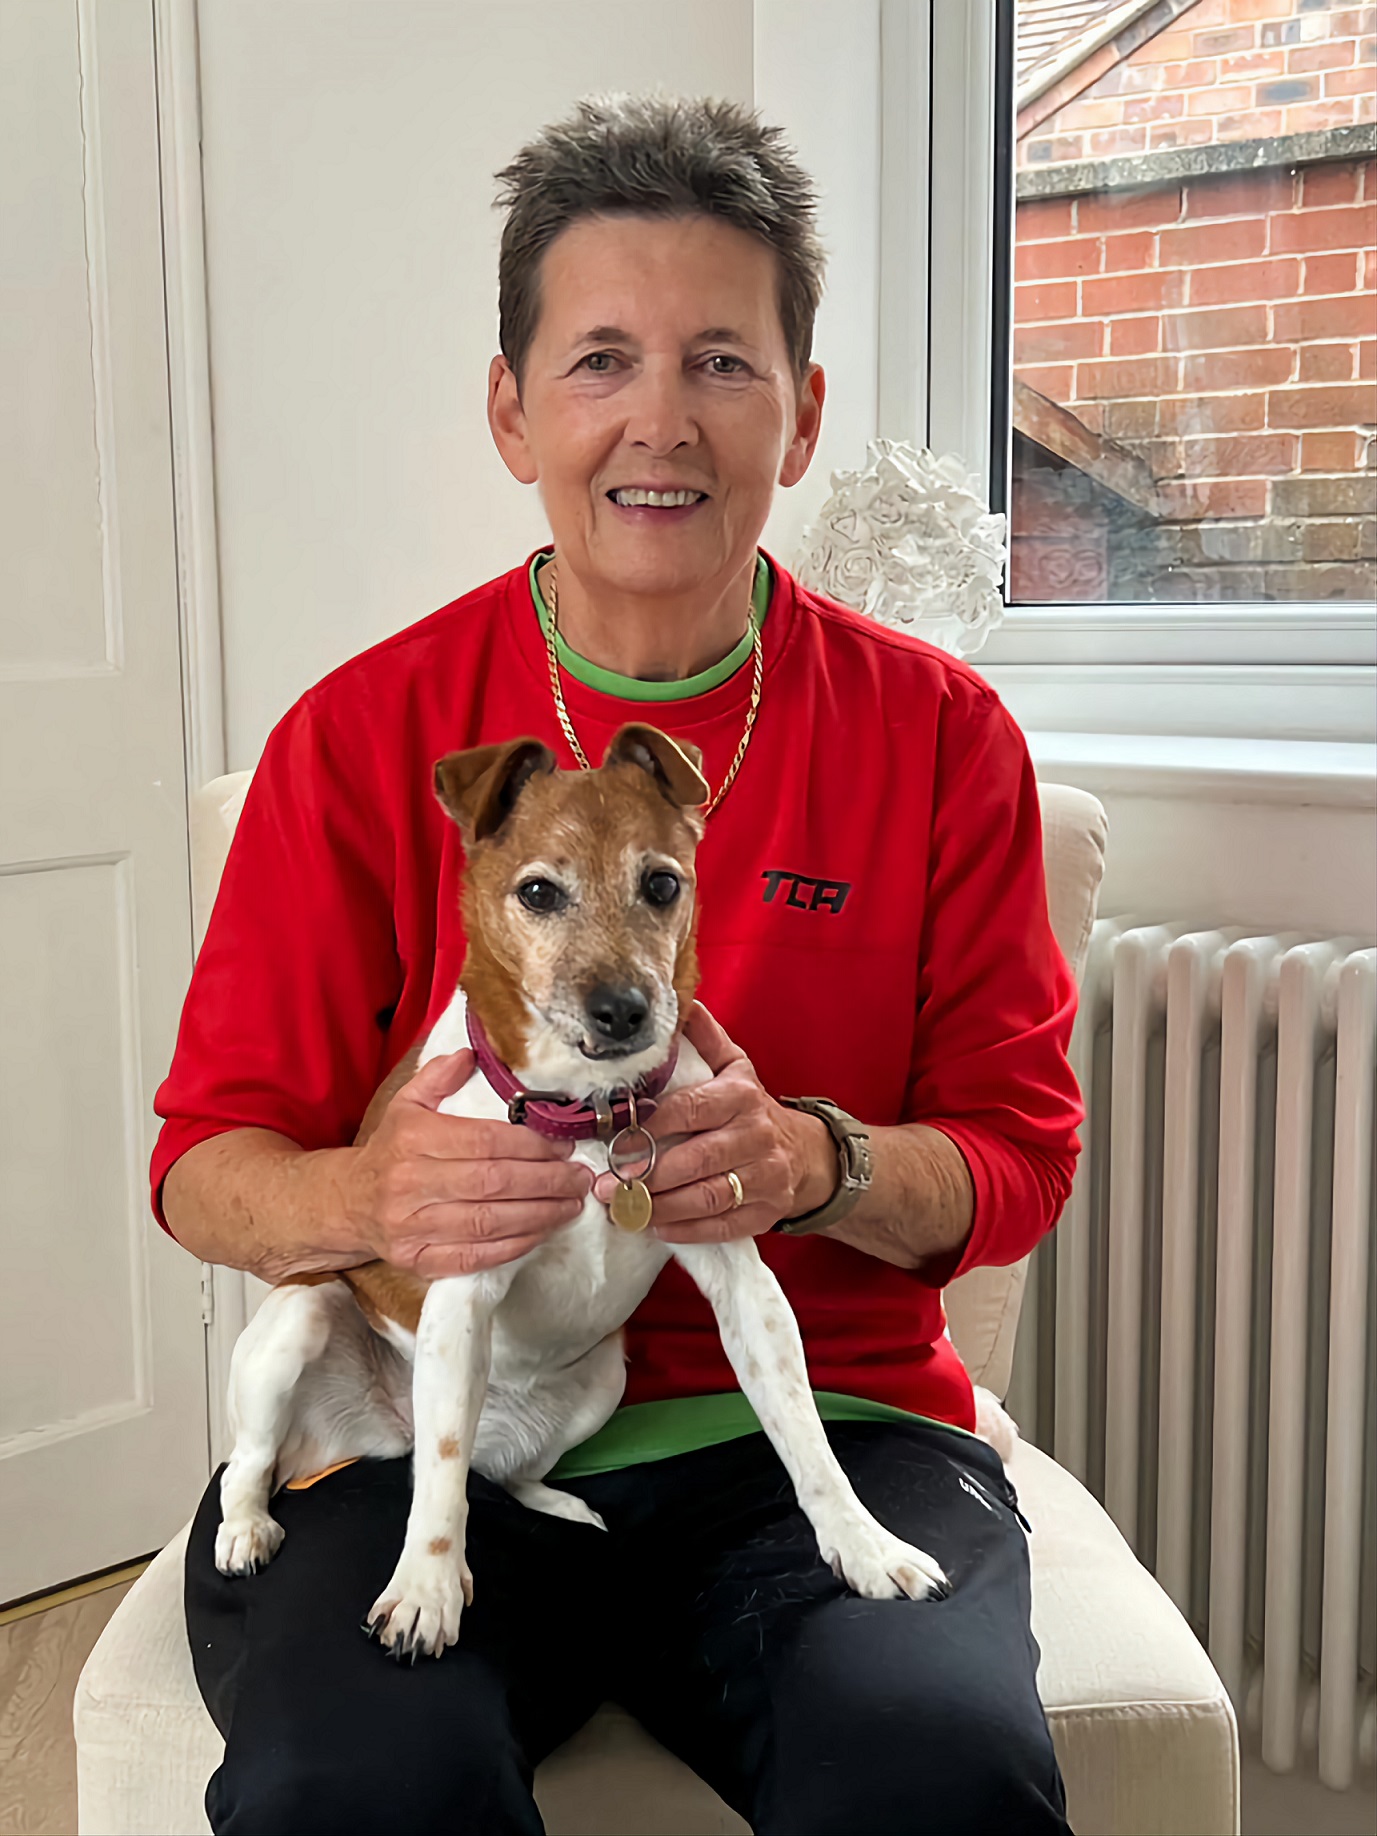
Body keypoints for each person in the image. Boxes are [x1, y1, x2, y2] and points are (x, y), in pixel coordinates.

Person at [156, 93, 1081, 1836]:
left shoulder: (943, 738)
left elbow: (1016, 1163)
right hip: (454, 1439)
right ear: (511, 409)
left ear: (800, 418)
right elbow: (204, 1171)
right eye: (598, 360)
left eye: (722, 361)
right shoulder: (356, 742)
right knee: (353, 1789)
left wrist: (813, 1159)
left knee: (937, 1777)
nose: (658, 419)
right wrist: (376, 1196)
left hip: (829, 1431)